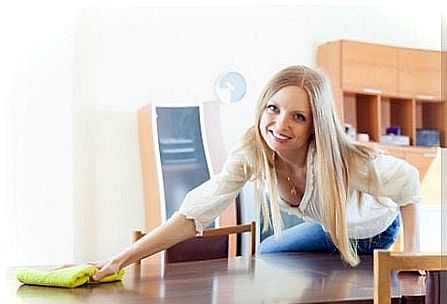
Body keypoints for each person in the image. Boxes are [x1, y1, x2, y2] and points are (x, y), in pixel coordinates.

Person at [91, 65, 420, 281]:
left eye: (298, 117)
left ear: (314, 126)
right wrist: (121, 259)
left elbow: (408, 180)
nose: (280, 125)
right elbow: (195, 213)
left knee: (345, 284)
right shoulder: (253, 149)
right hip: (331, 231)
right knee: (266, 253)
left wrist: (411, 256)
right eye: (274, 109)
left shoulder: (341, 160)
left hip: (373, 233)